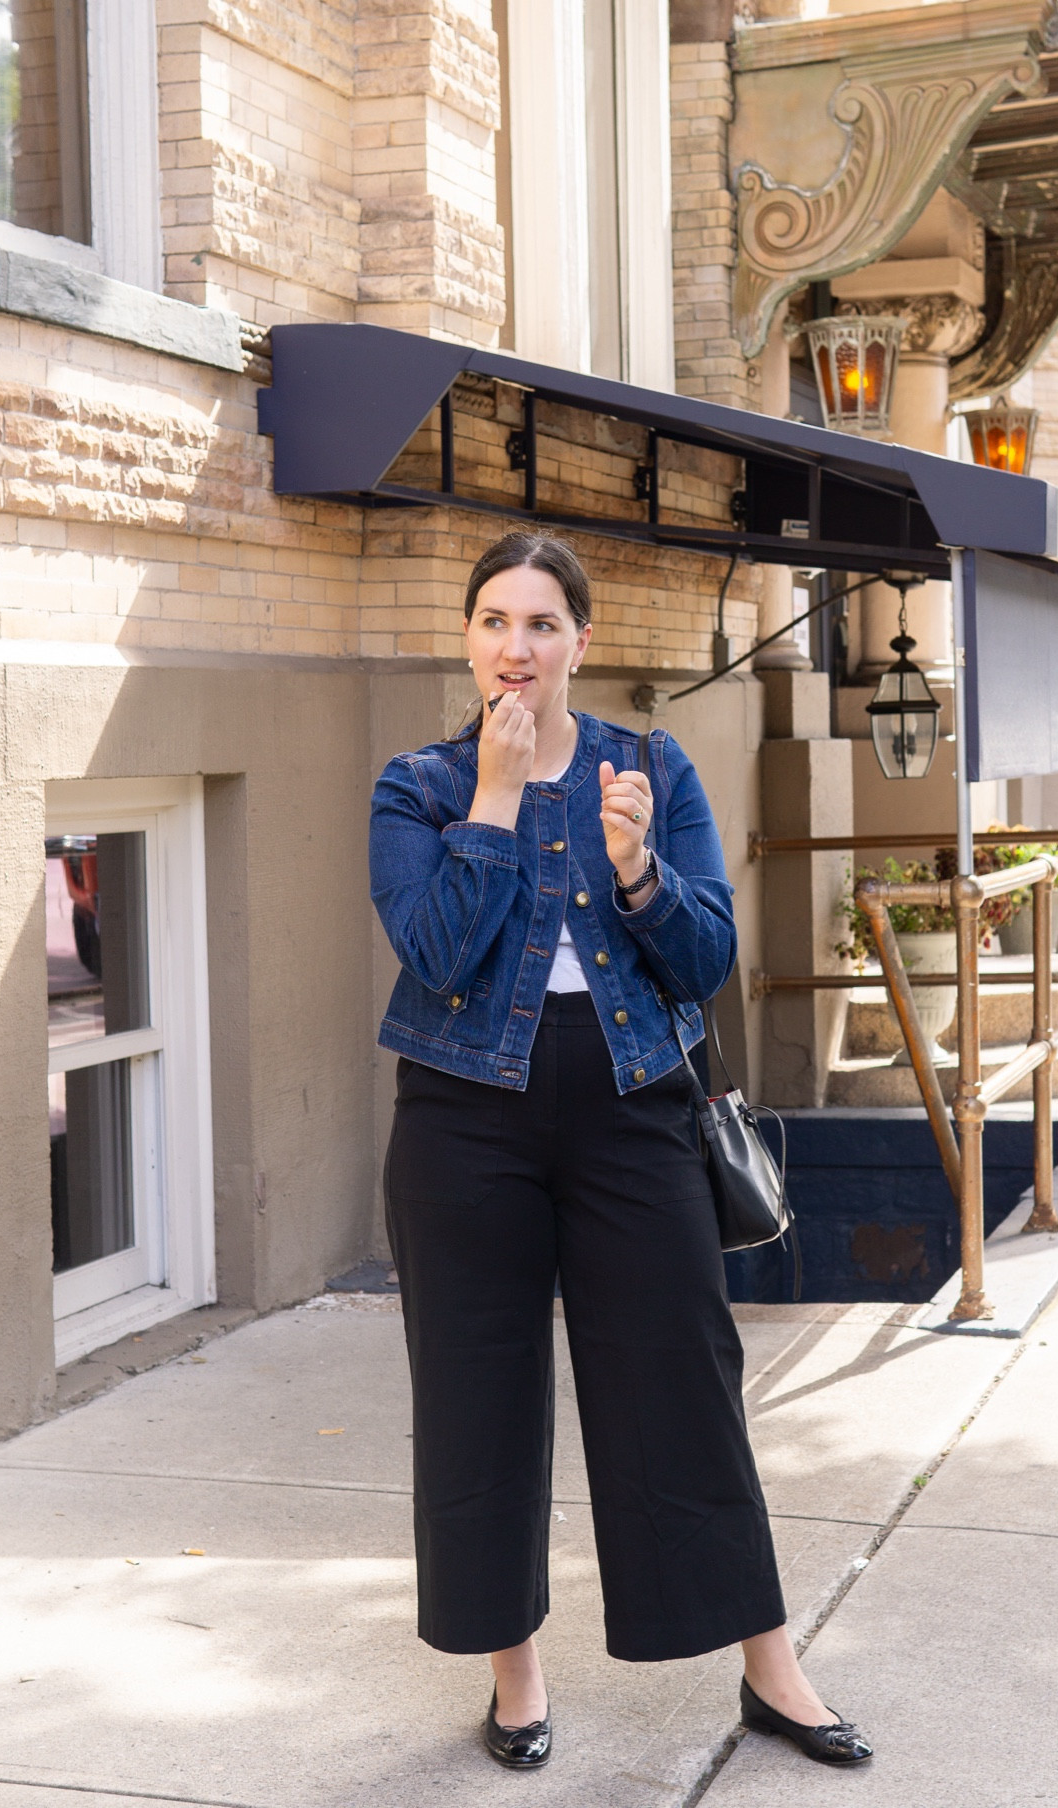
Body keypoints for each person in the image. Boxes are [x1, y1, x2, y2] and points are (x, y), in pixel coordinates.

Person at [368, 530, 872, 1772]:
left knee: (681, 1386)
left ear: (579, 642)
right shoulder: (419, 785)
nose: (517, 645)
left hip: (635, 1109)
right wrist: (493, 799)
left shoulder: (651, 766)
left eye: (542, 623)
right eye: (495, 619)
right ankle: (516, 1678)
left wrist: (639, 865)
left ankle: (771, 1669)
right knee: (477, 1392)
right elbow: (433, 953)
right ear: (468, 635)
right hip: (463, 1120)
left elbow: (706, 962)